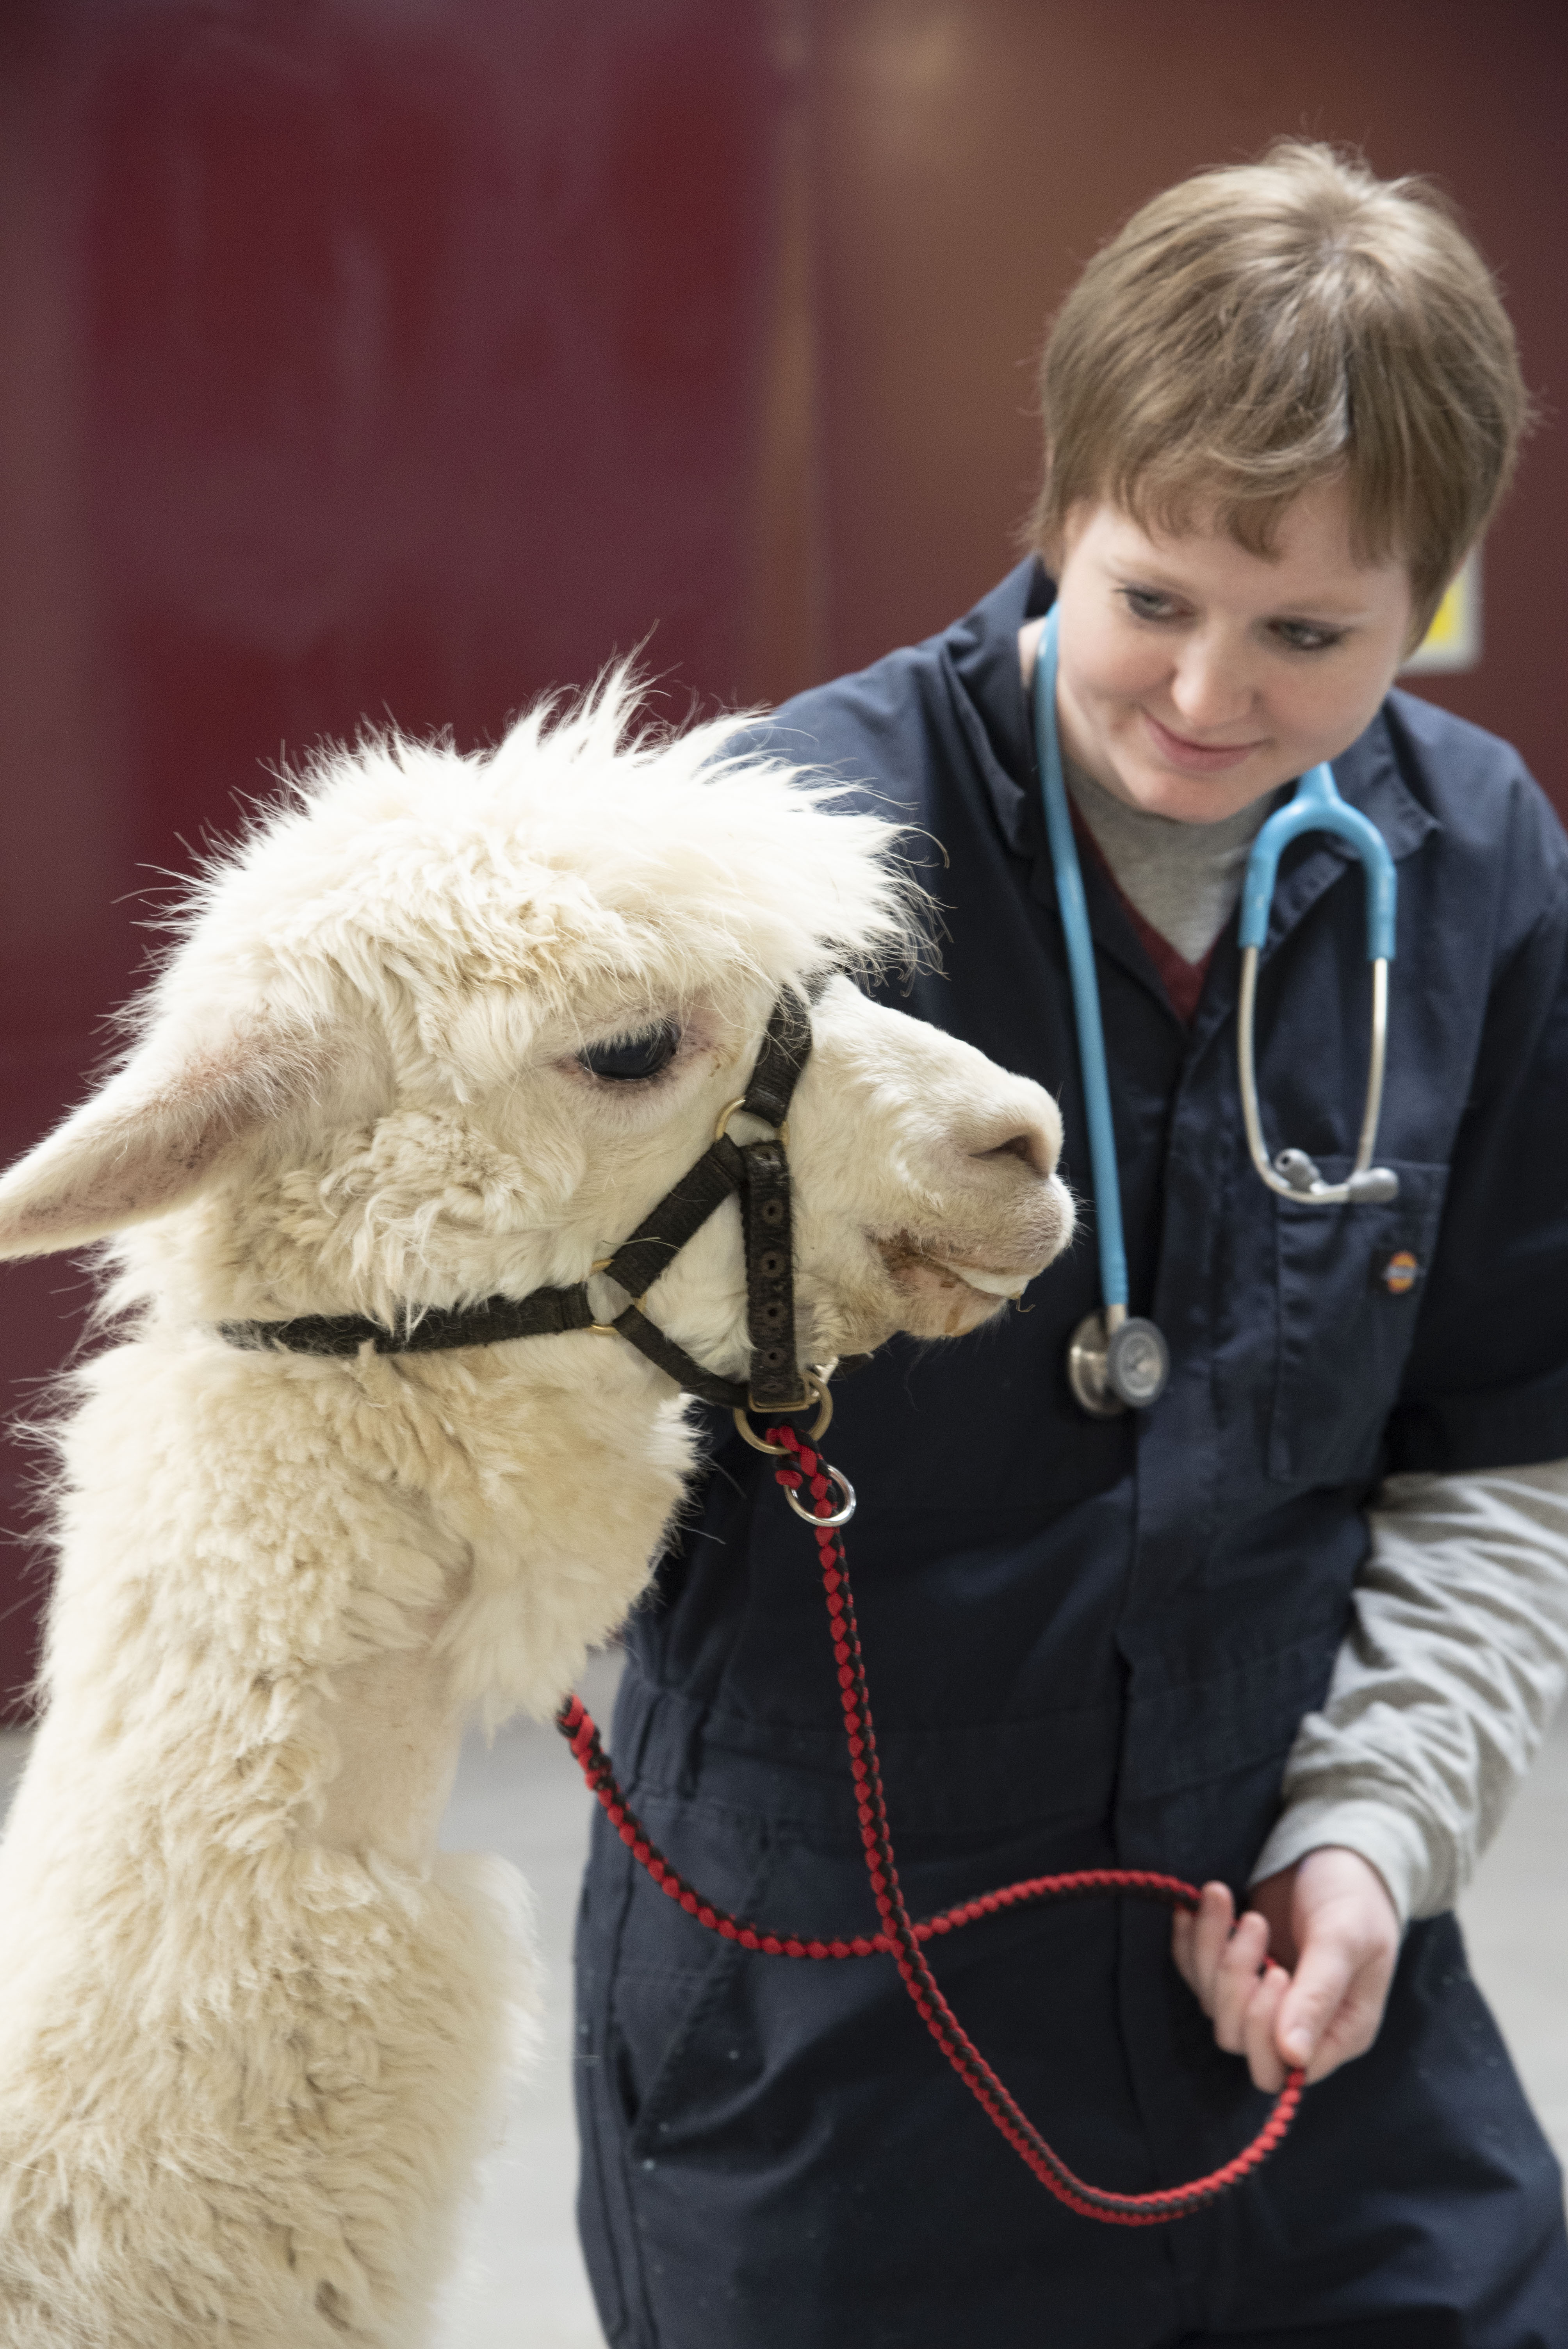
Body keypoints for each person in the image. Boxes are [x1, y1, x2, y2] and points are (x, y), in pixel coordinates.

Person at [573, 143, 1568, 2347]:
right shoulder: (778, 866)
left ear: (1433, 599)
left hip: (1279, 1938)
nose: (1212, 698)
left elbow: (1504, 1445)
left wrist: (1376, 1833)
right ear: (1063, 510)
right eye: (1152, 600)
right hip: (841, 2006)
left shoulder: (1476, 865)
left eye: (1311, 633)